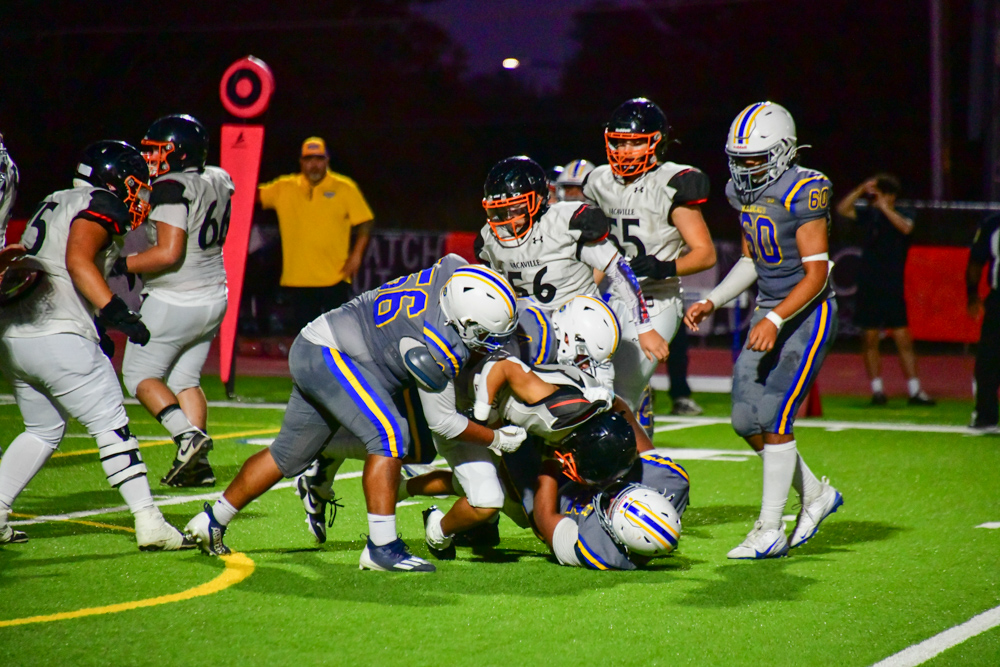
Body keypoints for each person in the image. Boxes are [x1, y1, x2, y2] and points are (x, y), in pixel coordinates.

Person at [184, 257, 521, 573]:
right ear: (465, 321)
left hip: (317, 344)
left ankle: (212, 520)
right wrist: (497, 439)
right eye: (485, 334)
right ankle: (381, 547)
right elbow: (443, 422)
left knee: (288, 454)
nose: (489, 343)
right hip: (331, 353)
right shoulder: (440, 346)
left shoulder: (453, 270)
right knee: (391, 435)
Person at [0, 141, 187, 550]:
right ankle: (149, 521)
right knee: (111, 424)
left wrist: (97, 323)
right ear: (116, 178)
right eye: (136, 184)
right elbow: (77, 259)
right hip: (57, 331)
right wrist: (115, 311)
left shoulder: (54, 200)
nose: (141, 194)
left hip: (15, 333)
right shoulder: (101, 202)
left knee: (43, 429)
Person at [685, 101, 842, 559]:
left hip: (808, 311)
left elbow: (816, 276)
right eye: (740, 159)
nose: (746, 168)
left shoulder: (804, 190)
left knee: (775, 415)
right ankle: (815, 494)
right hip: (769, 309)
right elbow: (753, 259)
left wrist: (775, 319)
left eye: (756, 158)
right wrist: (714, 300)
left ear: (784, 151)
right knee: (743, 420)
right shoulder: (742, 192)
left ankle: (770, 529)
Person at [475, 155, 669, 413]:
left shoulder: (564, 222)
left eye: (516, 208)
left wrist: (644, 326)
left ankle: (602, 389)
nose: (508, 218)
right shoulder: (489, 239)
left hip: (576, 334)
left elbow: (618, 269)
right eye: (499, 210)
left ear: (538, 200)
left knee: (584, 317)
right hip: (527, 332)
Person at [114, 114, 234, 488]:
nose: (150, 158)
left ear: (179, 153)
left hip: (175, 298)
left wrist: (121, 265)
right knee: (185, 379)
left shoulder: (171, 187)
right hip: (214, 296)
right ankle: (197, 465)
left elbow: (168, 253)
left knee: (138, 375)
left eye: (158, 151)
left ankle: (186, 437)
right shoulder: (218, 177)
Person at [583, 97, 717, 414]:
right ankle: (639, 426)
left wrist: (663, 267)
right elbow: (601, 250)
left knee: (621, 391)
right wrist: (582, 293)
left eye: (634, 143)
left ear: (656, 142)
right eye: (619, 143)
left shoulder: (670, 183)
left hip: (656, 297)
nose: (625, 151)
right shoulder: (600, 181)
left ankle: (634, 433)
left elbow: (705, 254)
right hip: (613, 296)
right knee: (590, 385)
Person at [836, 174, 934, 406]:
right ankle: (877, 390)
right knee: (869, 338)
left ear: (890, 195)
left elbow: (906, 228)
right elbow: (842, 209)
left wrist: (885, 207)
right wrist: (860, 189)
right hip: (869, 283)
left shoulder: (904, 212)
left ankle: (915, 390)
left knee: (903, 339)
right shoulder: (869, 215)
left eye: (879, 194)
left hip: (892, 285)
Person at [257, 136, 373, 333]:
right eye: (309, 159)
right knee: (306, 338)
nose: (314, 164)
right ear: (301, 162)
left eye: (319, 159)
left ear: (327, 160)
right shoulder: (284, 187)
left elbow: (365, 221)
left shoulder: (344, 187)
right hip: (299, 280)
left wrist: (356, 255)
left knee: (338, 337)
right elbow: (248, 195)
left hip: (335, 277)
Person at [967, 213, 1000, 432]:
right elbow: (976, 260)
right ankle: (986, 415)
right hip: (999, 299)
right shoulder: (993, 225)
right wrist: (972, 294)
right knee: (988, 360)